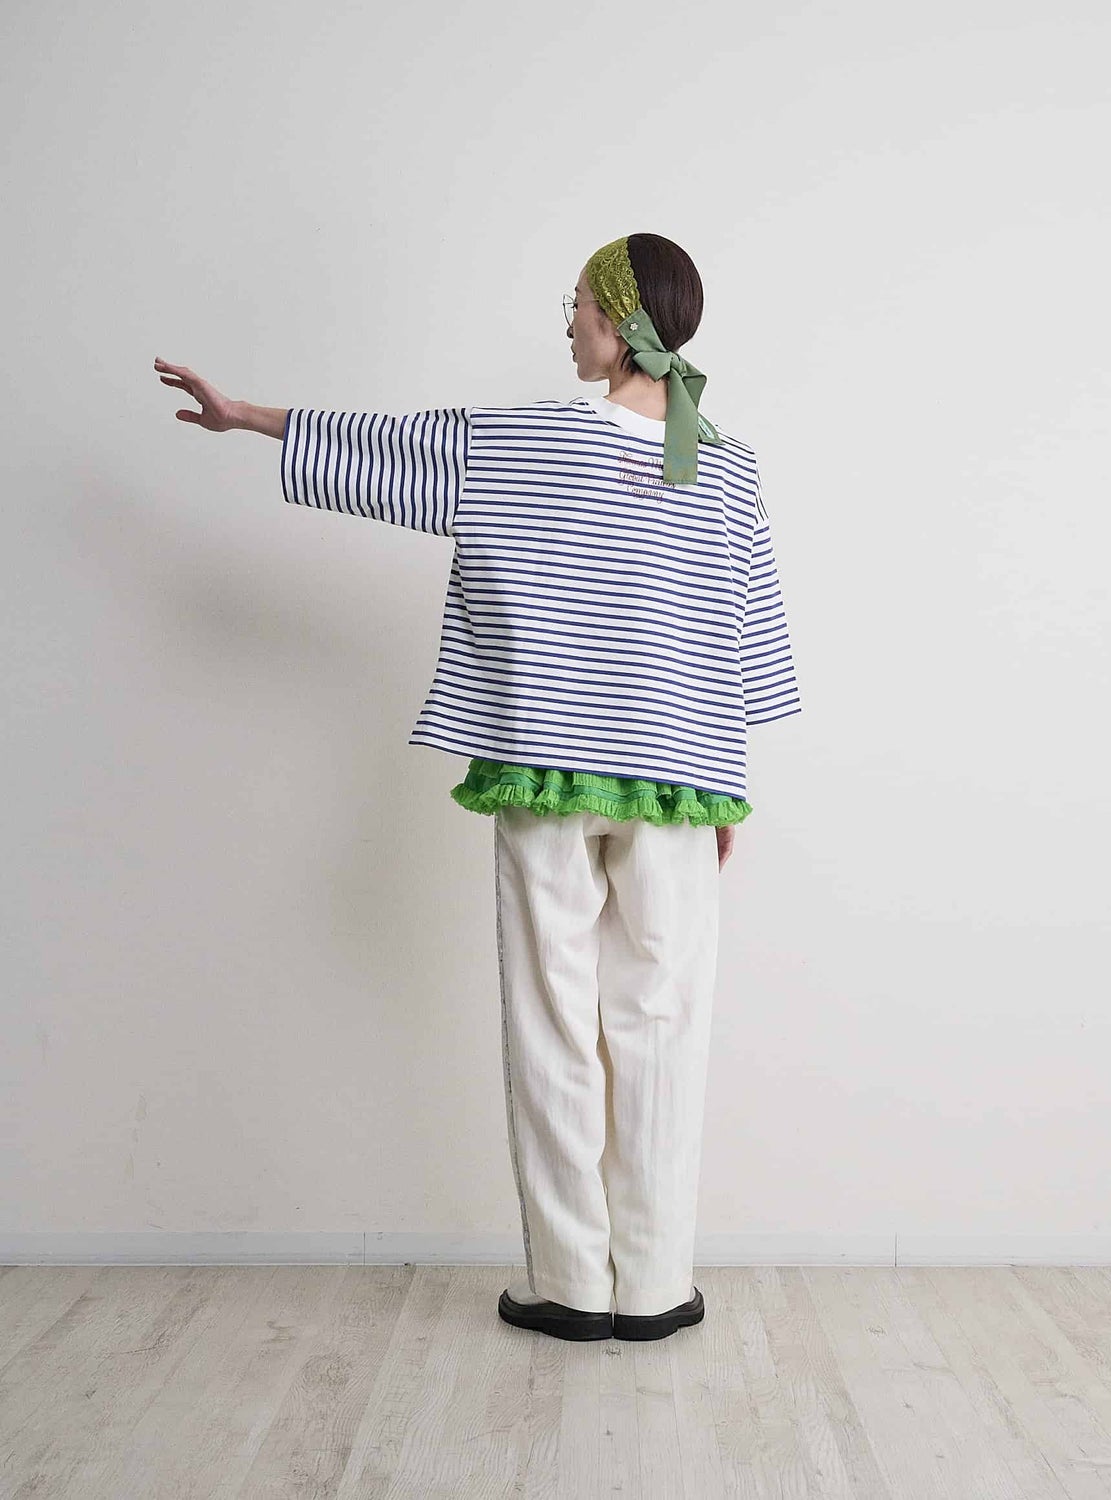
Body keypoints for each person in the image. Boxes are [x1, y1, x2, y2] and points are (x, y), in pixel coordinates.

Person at [153, 231, 802, 1344]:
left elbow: (387, 449)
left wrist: (249, 417)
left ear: (619, 320)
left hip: (543, 767)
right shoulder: (729, 467)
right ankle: (654, 1287)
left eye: (578, 301)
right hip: (677, 784)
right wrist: (724, 789)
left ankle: (571, 1284)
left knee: (551, 1018)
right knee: (662, 1023)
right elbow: (737, 641)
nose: (566, 319)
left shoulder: (514, 443)